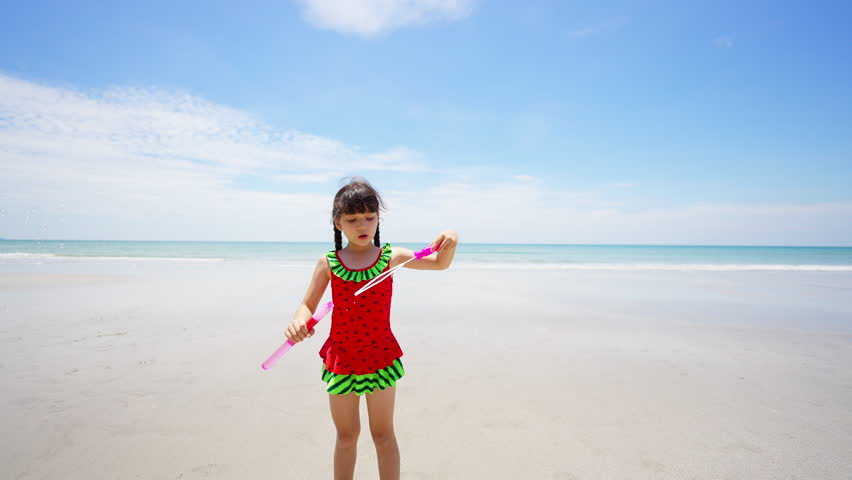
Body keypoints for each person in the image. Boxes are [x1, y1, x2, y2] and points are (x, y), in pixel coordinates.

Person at [285, 177, 458, 480]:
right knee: (346, 437)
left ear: (378, 218)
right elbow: (307, 306)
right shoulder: (329, 263)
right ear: (338, 223)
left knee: (383, 435)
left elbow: (439, 263)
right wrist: (299, 321)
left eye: (369, 217)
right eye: (352, 219)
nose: (362, 224)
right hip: (341, 360)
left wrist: (451, 239)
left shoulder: (391, 257)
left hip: (380, 356)